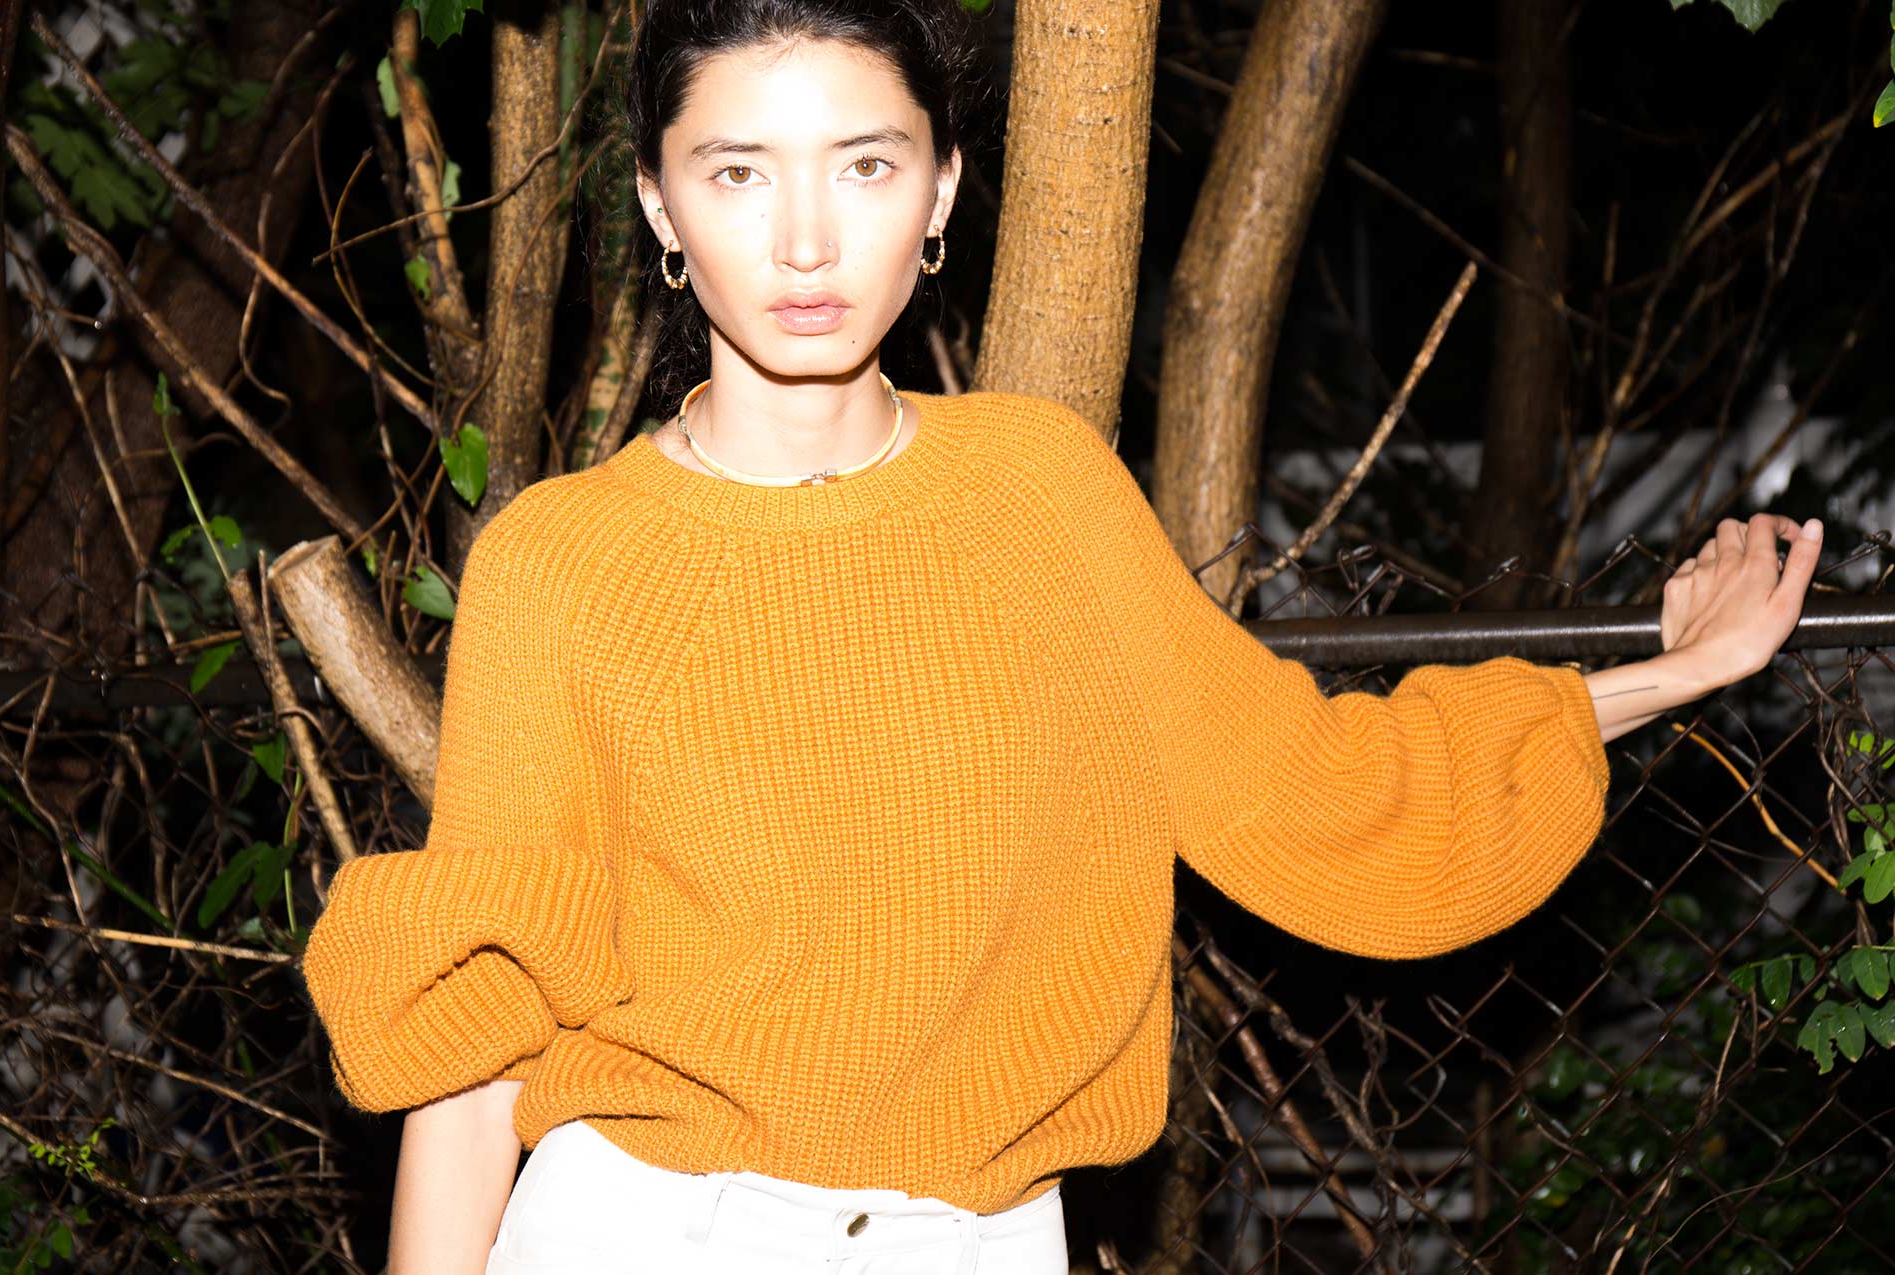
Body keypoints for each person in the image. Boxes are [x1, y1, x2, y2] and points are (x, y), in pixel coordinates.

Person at [300, 2, 1827, 1272]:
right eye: (739, 173)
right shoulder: (562, 559)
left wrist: (1672, 671)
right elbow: (478, 1029)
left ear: (943, 193)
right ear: (660, 209)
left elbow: (1307, 787)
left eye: (866, 164)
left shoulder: (1044, 493)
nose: (808, 240)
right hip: (641, 1231)